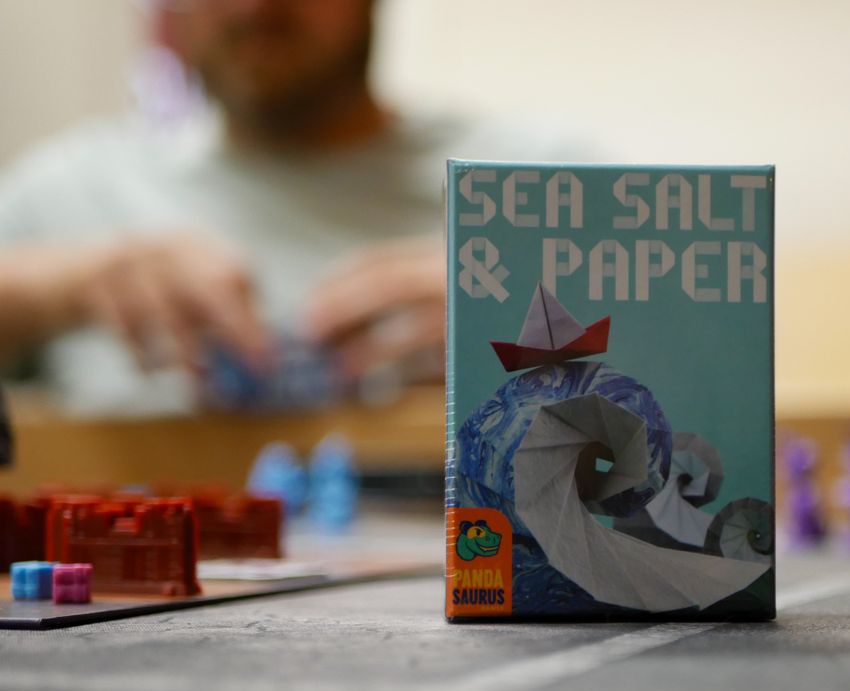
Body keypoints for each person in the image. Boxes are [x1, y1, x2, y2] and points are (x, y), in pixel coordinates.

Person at [0, 0, 580, 414]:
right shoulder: (64, 193)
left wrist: (541, 328)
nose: (255, 8)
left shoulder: (547, 185)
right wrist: (60, 288)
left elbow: (662, 370)